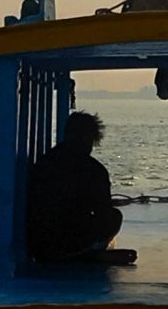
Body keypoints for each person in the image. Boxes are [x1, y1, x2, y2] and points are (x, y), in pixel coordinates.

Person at [26, 110, 129, 263]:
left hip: (40, 244)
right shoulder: (95, 170)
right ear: (89, 139)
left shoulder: (44, 163)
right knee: (115, 216)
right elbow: (104, 213)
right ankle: (90, 253)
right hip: (74, 241)